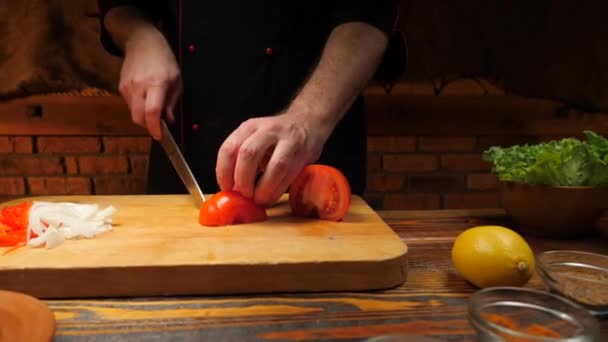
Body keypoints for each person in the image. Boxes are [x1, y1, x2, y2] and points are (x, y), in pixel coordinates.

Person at [97, 1, 406, 207]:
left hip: (312, 153)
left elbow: (368, 13)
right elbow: (121, 3)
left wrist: (308, 119)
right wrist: (139, 36)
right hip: (185, 137)